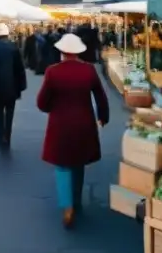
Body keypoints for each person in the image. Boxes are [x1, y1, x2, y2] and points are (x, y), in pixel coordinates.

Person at [37, 33, 111, 229]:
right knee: (79, 163)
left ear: (61, 51)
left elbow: (42, 101)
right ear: (78, 52)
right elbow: (100, 96)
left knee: (62, 166)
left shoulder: (52, 71)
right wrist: (103, 116)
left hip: (60, 124)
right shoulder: (89, 70)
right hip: (83, 123)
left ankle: (67, 206)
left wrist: (50, 108)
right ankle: (77, 202)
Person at [0, 23, 27, 148]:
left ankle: (0, 134)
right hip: (12, 84)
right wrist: (22, 85)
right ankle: (8, 135)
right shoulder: (14, 48)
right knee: (10, 111)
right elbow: (20, 68)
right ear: (7, 34)